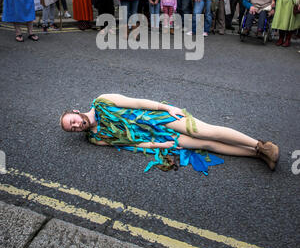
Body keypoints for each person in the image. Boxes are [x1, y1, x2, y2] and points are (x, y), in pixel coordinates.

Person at [60, 93, 280, 172]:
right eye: (72, 129)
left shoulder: (102, 101)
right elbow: (131, 145)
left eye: (73, 121)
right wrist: (160, 147)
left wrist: (165, 108)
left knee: (207, 132)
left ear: (77, 112)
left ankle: (262, 145)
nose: (76, 126)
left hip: (160, 119)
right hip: (158, 138)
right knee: (207, 145)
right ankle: (258, 155)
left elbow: (136, 102)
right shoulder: (95, 139)